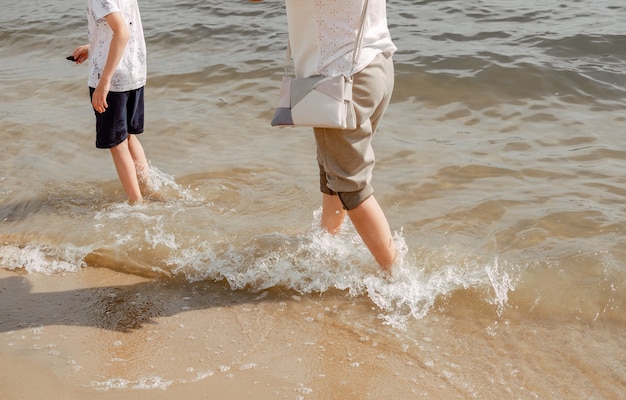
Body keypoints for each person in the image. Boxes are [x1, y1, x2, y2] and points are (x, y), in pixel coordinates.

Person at [259, 0, 398, 271]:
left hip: (341, 79)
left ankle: (396, 277)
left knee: (352, 187)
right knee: (334, 173)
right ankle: (325, 246)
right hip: (377, 67)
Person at [70, 0, 150, 204]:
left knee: (117, 143)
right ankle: (149, 191)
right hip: (134, 72)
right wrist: (93, 47)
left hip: (112, 80)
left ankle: (136, 202)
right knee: (129, 138)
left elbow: (122, 32)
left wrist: (104, 82)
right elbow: (124, 28)